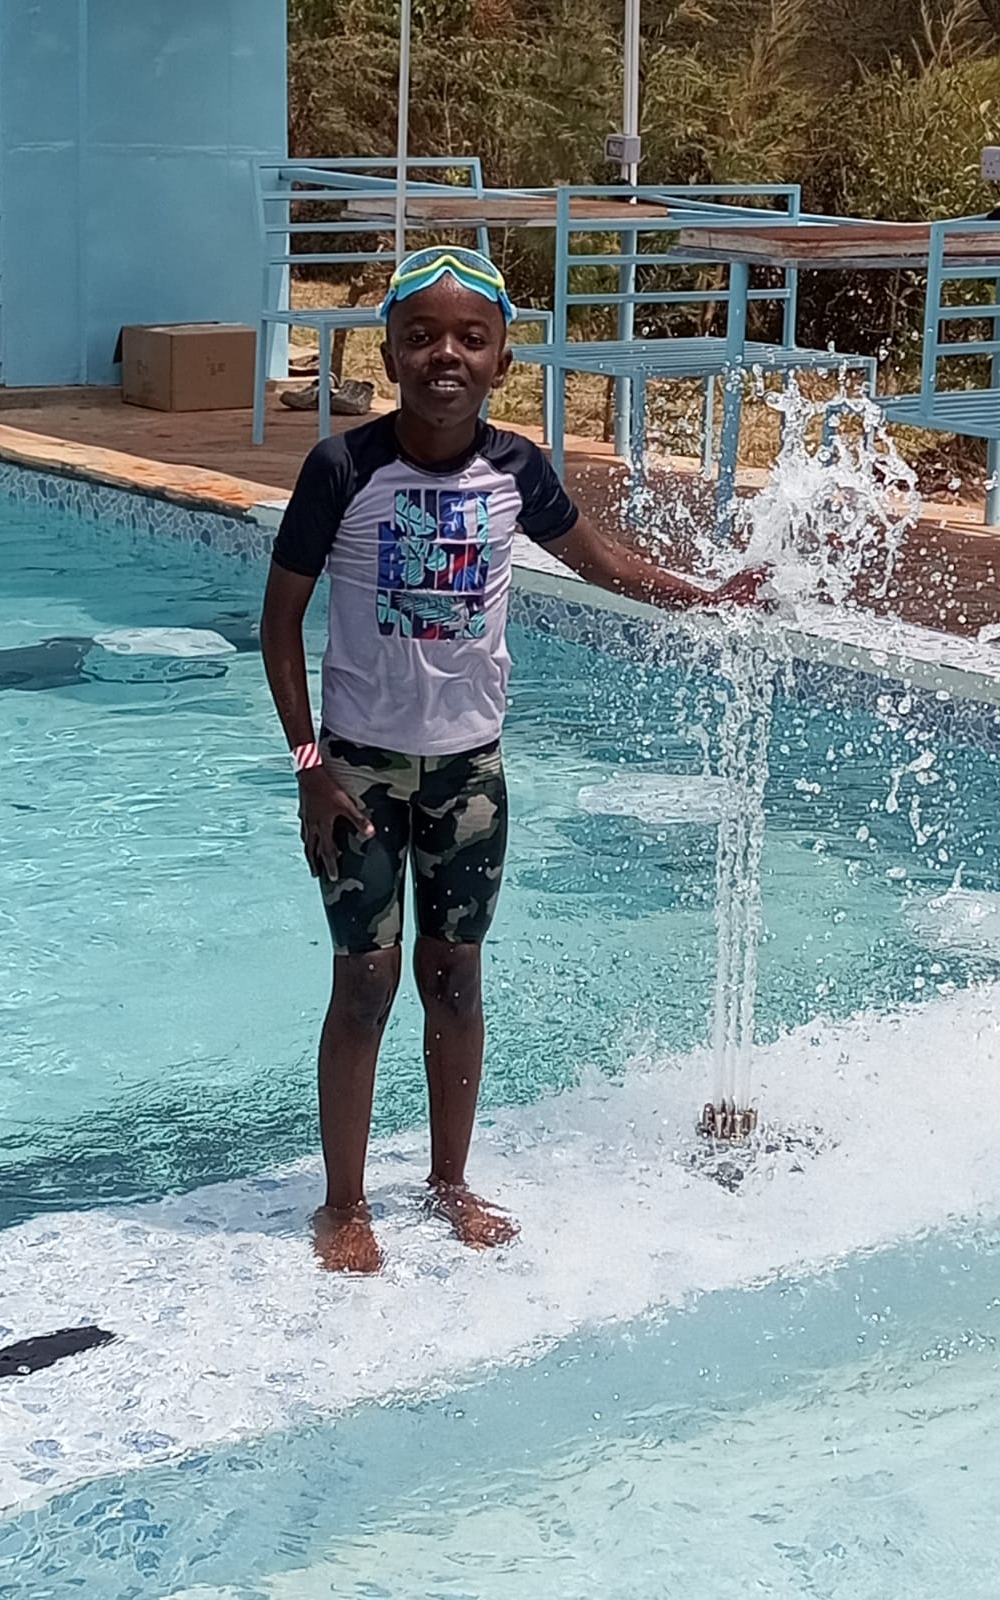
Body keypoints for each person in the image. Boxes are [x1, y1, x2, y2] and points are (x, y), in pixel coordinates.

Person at [260, 246, 767, 1274]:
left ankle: (449, 1183)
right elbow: (279, 626)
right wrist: (311, 765)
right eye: (422, 336)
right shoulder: (342, 469)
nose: (445, 353)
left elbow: (602, 562)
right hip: (357, 774)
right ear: (390, 351)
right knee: (363, 985)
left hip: (470, 777)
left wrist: (707, 602)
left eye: (470, 338)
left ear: (501, 359)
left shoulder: (517, 471)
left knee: (455, 983)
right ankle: (343, 1203)